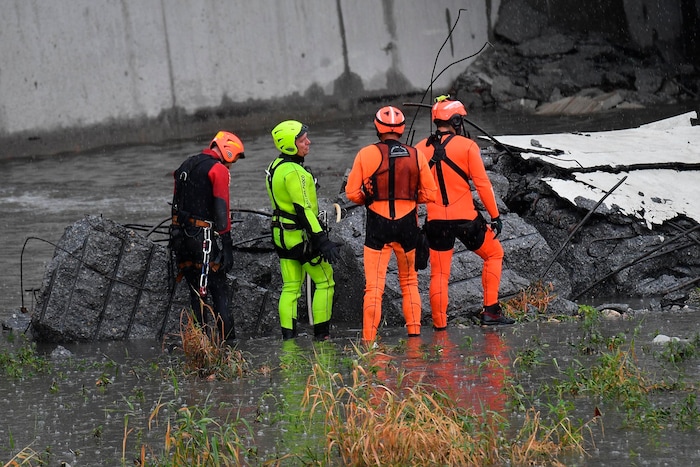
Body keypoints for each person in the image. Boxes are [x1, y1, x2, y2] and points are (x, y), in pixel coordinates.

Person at [414, 96, 514, 327]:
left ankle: (440, 324)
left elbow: (414, 190)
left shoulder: (419, 149)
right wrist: (495, 216)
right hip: (467, 220)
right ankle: (490, 312)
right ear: (456, 121)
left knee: (439, 275)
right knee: (494, 254)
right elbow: (483, 185)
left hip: (436, 222)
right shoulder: (468, 146)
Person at [345, 106, 437, 343]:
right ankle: (414, 334)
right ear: (402, 128)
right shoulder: (416, 154)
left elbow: (352, 192)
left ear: (377, 128)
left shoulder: (365, 154)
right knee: (409, 282)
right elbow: (430, 193)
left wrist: (369, 199)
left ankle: (369, 340)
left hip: (378, 225)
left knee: (374, 288)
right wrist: (411, 197)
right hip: (407, 225)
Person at [265, 120, 342, 341]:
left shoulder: (274, 167)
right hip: (300, 238)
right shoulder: (295, 172)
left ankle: (288, 340)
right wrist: (321, 241)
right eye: (302, 140)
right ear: (290, 145)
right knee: (326, 281)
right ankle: (322, 336)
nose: (308, 142)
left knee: (290, 287)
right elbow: (304, 210)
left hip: (281, 236)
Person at [170, 131, 245, 341]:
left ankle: (200, 344)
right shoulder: (218, 170)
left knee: (196, 293)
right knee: (219, 291)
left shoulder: (186, 164)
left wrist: (176, 233)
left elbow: (176, 204)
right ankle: (229, 345)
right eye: (235, 160)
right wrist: (227, 246)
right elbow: (222, 210)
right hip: (202, 238)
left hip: (182, 238)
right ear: (228, 151)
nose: (232, 165)